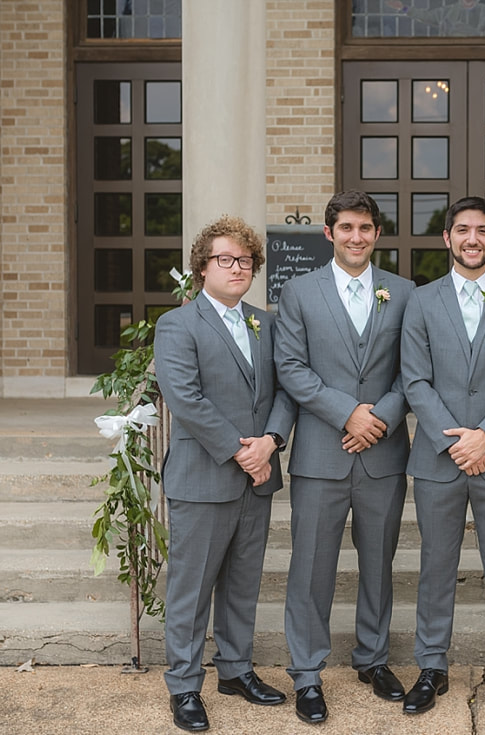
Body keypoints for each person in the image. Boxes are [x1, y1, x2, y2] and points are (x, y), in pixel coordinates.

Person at [274, 190, 415, 725]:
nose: (356, 237)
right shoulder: (298, 293)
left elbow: (414, 369)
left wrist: (377, 417)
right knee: (311, 565)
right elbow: (290, 366)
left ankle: (373, 658)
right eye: (346, 227)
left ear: (377, 234)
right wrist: (346, 414)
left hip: (383, 451)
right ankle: (307, 673)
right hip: (320, 452)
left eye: (366, 228)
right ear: (329, 233)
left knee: (378, 562)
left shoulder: (403, 293)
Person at [399, 196, 485, 720]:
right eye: (463, 230)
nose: (472, 239)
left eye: (482, 230)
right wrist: (457, 442)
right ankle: (432, 667)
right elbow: (414, 378)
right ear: (448, 238)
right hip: (438, 458)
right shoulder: (420, 300)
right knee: (436, 565)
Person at [154, 215, 297, 733]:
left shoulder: (267, 322)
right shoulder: (178, 325)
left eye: (246, 260)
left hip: (258, 476)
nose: (238, 268)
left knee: (242, 583)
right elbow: (185, 399)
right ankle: (185, 685)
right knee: (191, 589)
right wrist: (241, 451)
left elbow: (287, 390)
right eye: (226, 259)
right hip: (204, 475)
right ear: (202, 266)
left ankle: (235, 670)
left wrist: (272, 442)